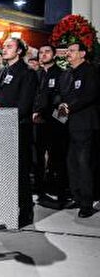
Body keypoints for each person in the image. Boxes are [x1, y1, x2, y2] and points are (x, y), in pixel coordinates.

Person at [0, 37, 39, 226]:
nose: (4, 49)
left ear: (19, 51)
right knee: (5, 171)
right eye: (4, 46)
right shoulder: (4, 71)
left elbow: (25, 105)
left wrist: (4, 113)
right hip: (2, 127)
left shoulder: (28, 73)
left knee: (20, 172)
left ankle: (26, 212)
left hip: (19, 128)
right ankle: (6, 209)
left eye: (9, 46)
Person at [58, 42, 99, 218]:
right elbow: (61, 96)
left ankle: (86, 204)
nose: (68, 53)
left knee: (83, 164)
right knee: (72, 163)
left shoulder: (90, 71)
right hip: (68, 125)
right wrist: (60, 110)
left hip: (84, 124)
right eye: (67, 51)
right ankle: (77, 196)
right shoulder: (67, 73)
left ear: (82, 54)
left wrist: (70, 107)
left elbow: (90, 95)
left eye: (72, 51)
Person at [32, 44, 68, 207]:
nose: (43, 54)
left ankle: (61, 193)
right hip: (37, 123)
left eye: (47, 52)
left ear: (54, 55)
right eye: (41, 52)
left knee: (58, 158)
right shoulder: (36, 74)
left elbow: (64, 100)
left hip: (55, 123)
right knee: (38, 159)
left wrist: (61, 123)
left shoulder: (62, 74)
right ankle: (40, 191)